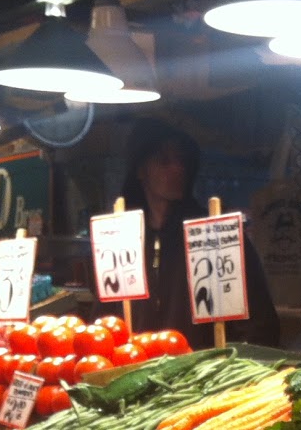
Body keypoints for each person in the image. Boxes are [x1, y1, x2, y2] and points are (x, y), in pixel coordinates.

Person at [117, 119, 280, 348]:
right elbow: (106, 322)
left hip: (205, 375)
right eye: (164, 161)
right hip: (136, 369)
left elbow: (260, 324)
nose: (177, 168)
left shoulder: (216, 234)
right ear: (140, 170)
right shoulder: (123, 237)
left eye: (182, 160)